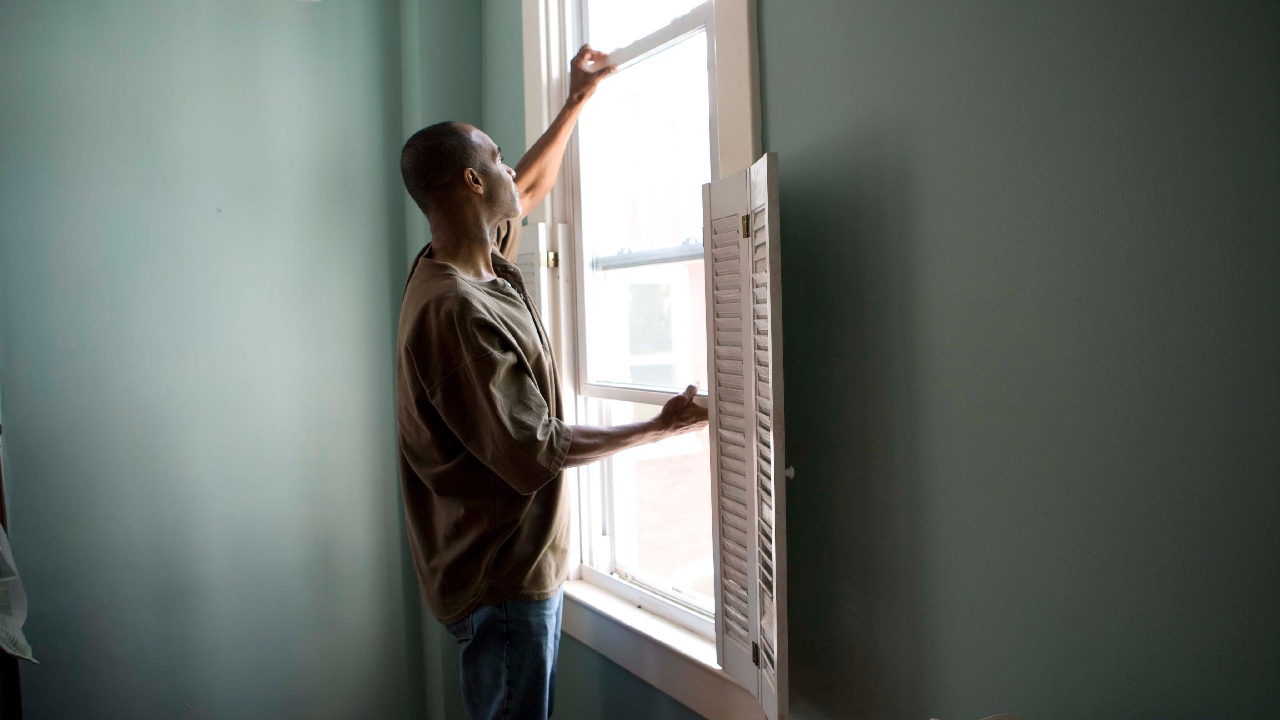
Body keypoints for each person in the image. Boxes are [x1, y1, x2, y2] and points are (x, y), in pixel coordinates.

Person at [395, 45, 708, 720]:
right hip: (500, 582)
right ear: (474, 185)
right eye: (495, 157)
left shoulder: (478, 264)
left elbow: (528, 188)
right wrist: (659, 428)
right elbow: (535, 450)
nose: (510, 167)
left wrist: (578, 100)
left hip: (511, 571)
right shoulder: (454, 309)